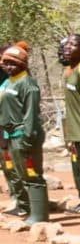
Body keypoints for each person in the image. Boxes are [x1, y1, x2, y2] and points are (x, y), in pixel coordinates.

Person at [1, 43, 47, 223]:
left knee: (33, 174)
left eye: (13, 63)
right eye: (6, 63)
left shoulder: (28, 84)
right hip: (11, 136)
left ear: (22, 65)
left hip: (24, 136)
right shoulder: (9, 82)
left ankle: (39, 216)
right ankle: (30, 211)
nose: (8, 66)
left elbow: (31, 115)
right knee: (23, 175)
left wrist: (27, 139)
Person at [58, 35, 80, 216]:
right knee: (78, 171)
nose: (68, 47)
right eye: (67, 44)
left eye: (73, 44)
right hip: (74, 132)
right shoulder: (68, 72)